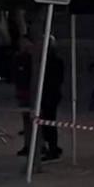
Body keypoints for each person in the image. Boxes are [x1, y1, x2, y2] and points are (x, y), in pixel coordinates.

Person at [13, 33, 64, 163]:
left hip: (50, 96)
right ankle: (43, 146)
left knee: (49, 122)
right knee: (41, 122)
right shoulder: (36, 60)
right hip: (42, 95)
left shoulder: (55, 61)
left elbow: (56, 79)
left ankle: (52, 148)